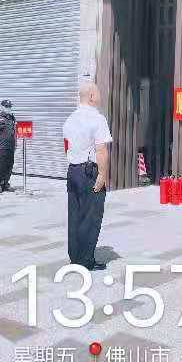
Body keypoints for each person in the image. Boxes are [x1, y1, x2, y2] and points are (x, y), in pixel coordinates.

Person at [63, 82, 113, 271]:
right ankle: (86, 261)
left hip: (73, 170)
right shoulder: (97, 119)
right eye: (98, 92)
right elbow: (101, 149)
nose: (100, 96)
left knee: (75, 215)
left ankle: (75, 257)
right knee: (91, 216)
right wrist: (102, 174)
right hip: (89, 172)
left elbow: (67, 146)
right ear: (91, 96)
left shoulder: (70, 119)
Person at [0, 99, 16, 193]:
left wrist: (15, 144)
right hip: (1, 146)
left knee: (9, 165)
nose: (8, 108)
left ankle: (5, 183)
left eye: (9, 106)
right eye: (6, 106)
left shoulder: (12, 118)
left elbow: (14, 132)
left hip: (10, 146)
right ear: (2, 107)